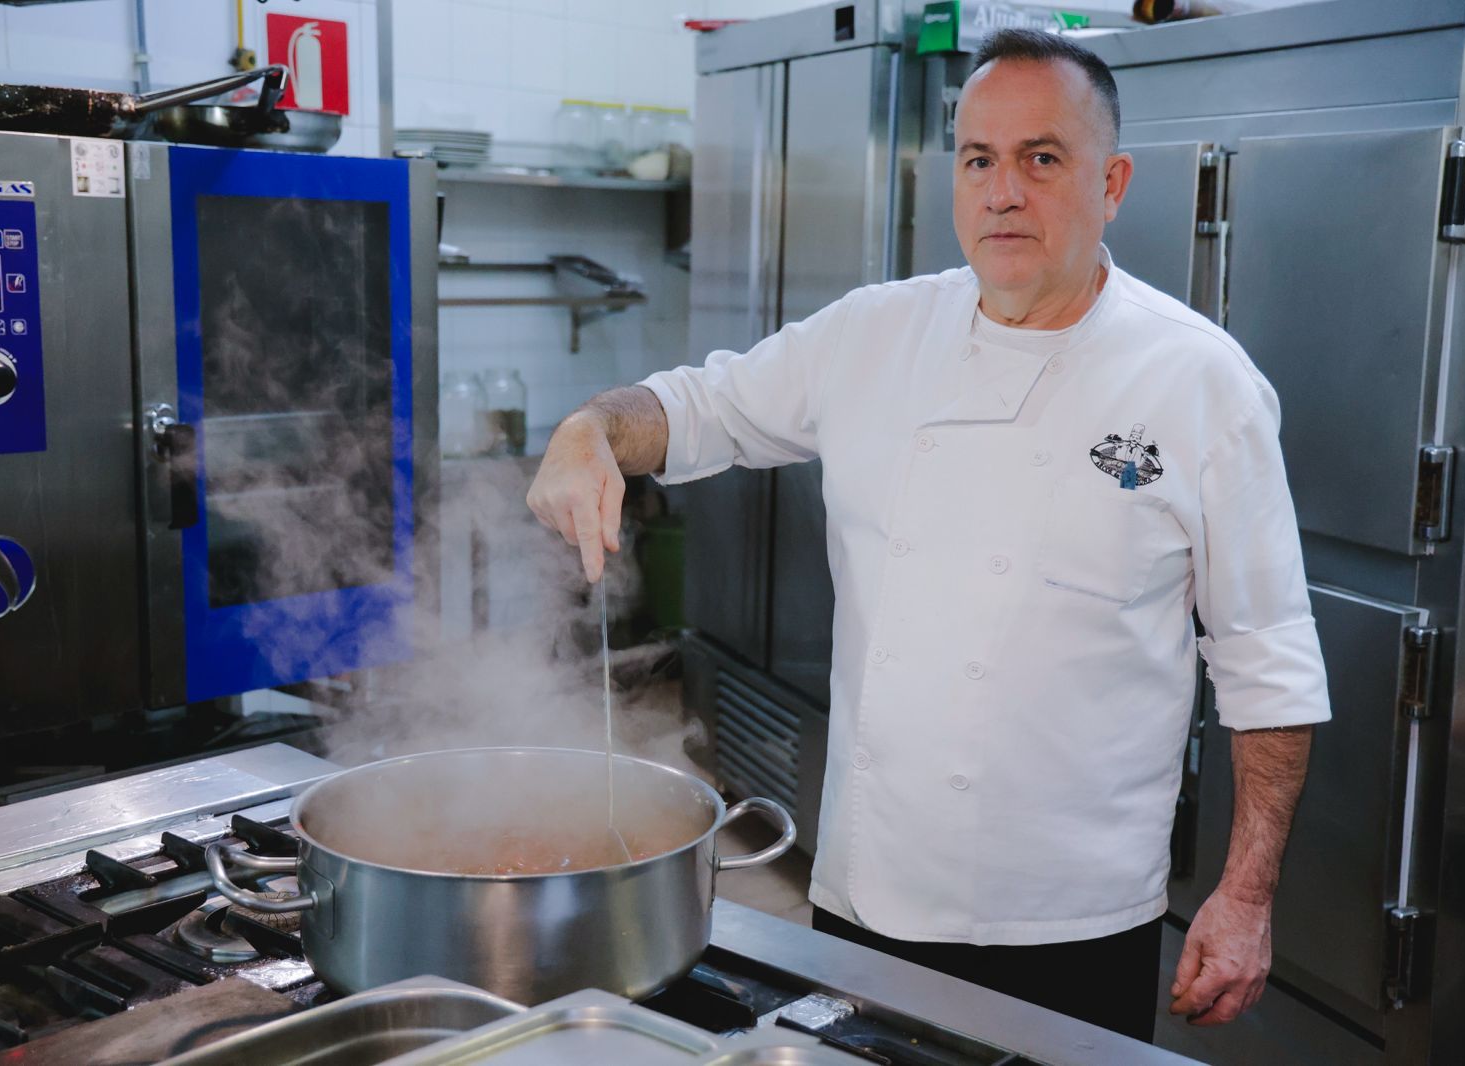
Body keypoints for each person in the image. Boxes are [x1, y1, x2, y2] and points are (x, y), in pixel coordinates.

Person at [526, 28, 1330, 1043]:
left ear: (1112, 182)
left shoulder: (1198, 380)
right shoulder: (872, 333)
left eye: (1042, 158)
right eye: (977, 159)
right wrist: (590, 428)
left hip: (1073, 917)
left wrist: (1246, 894)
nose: (1003, 192)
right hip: (868, 892)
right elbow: (698, 407)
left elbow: (1268, 661)